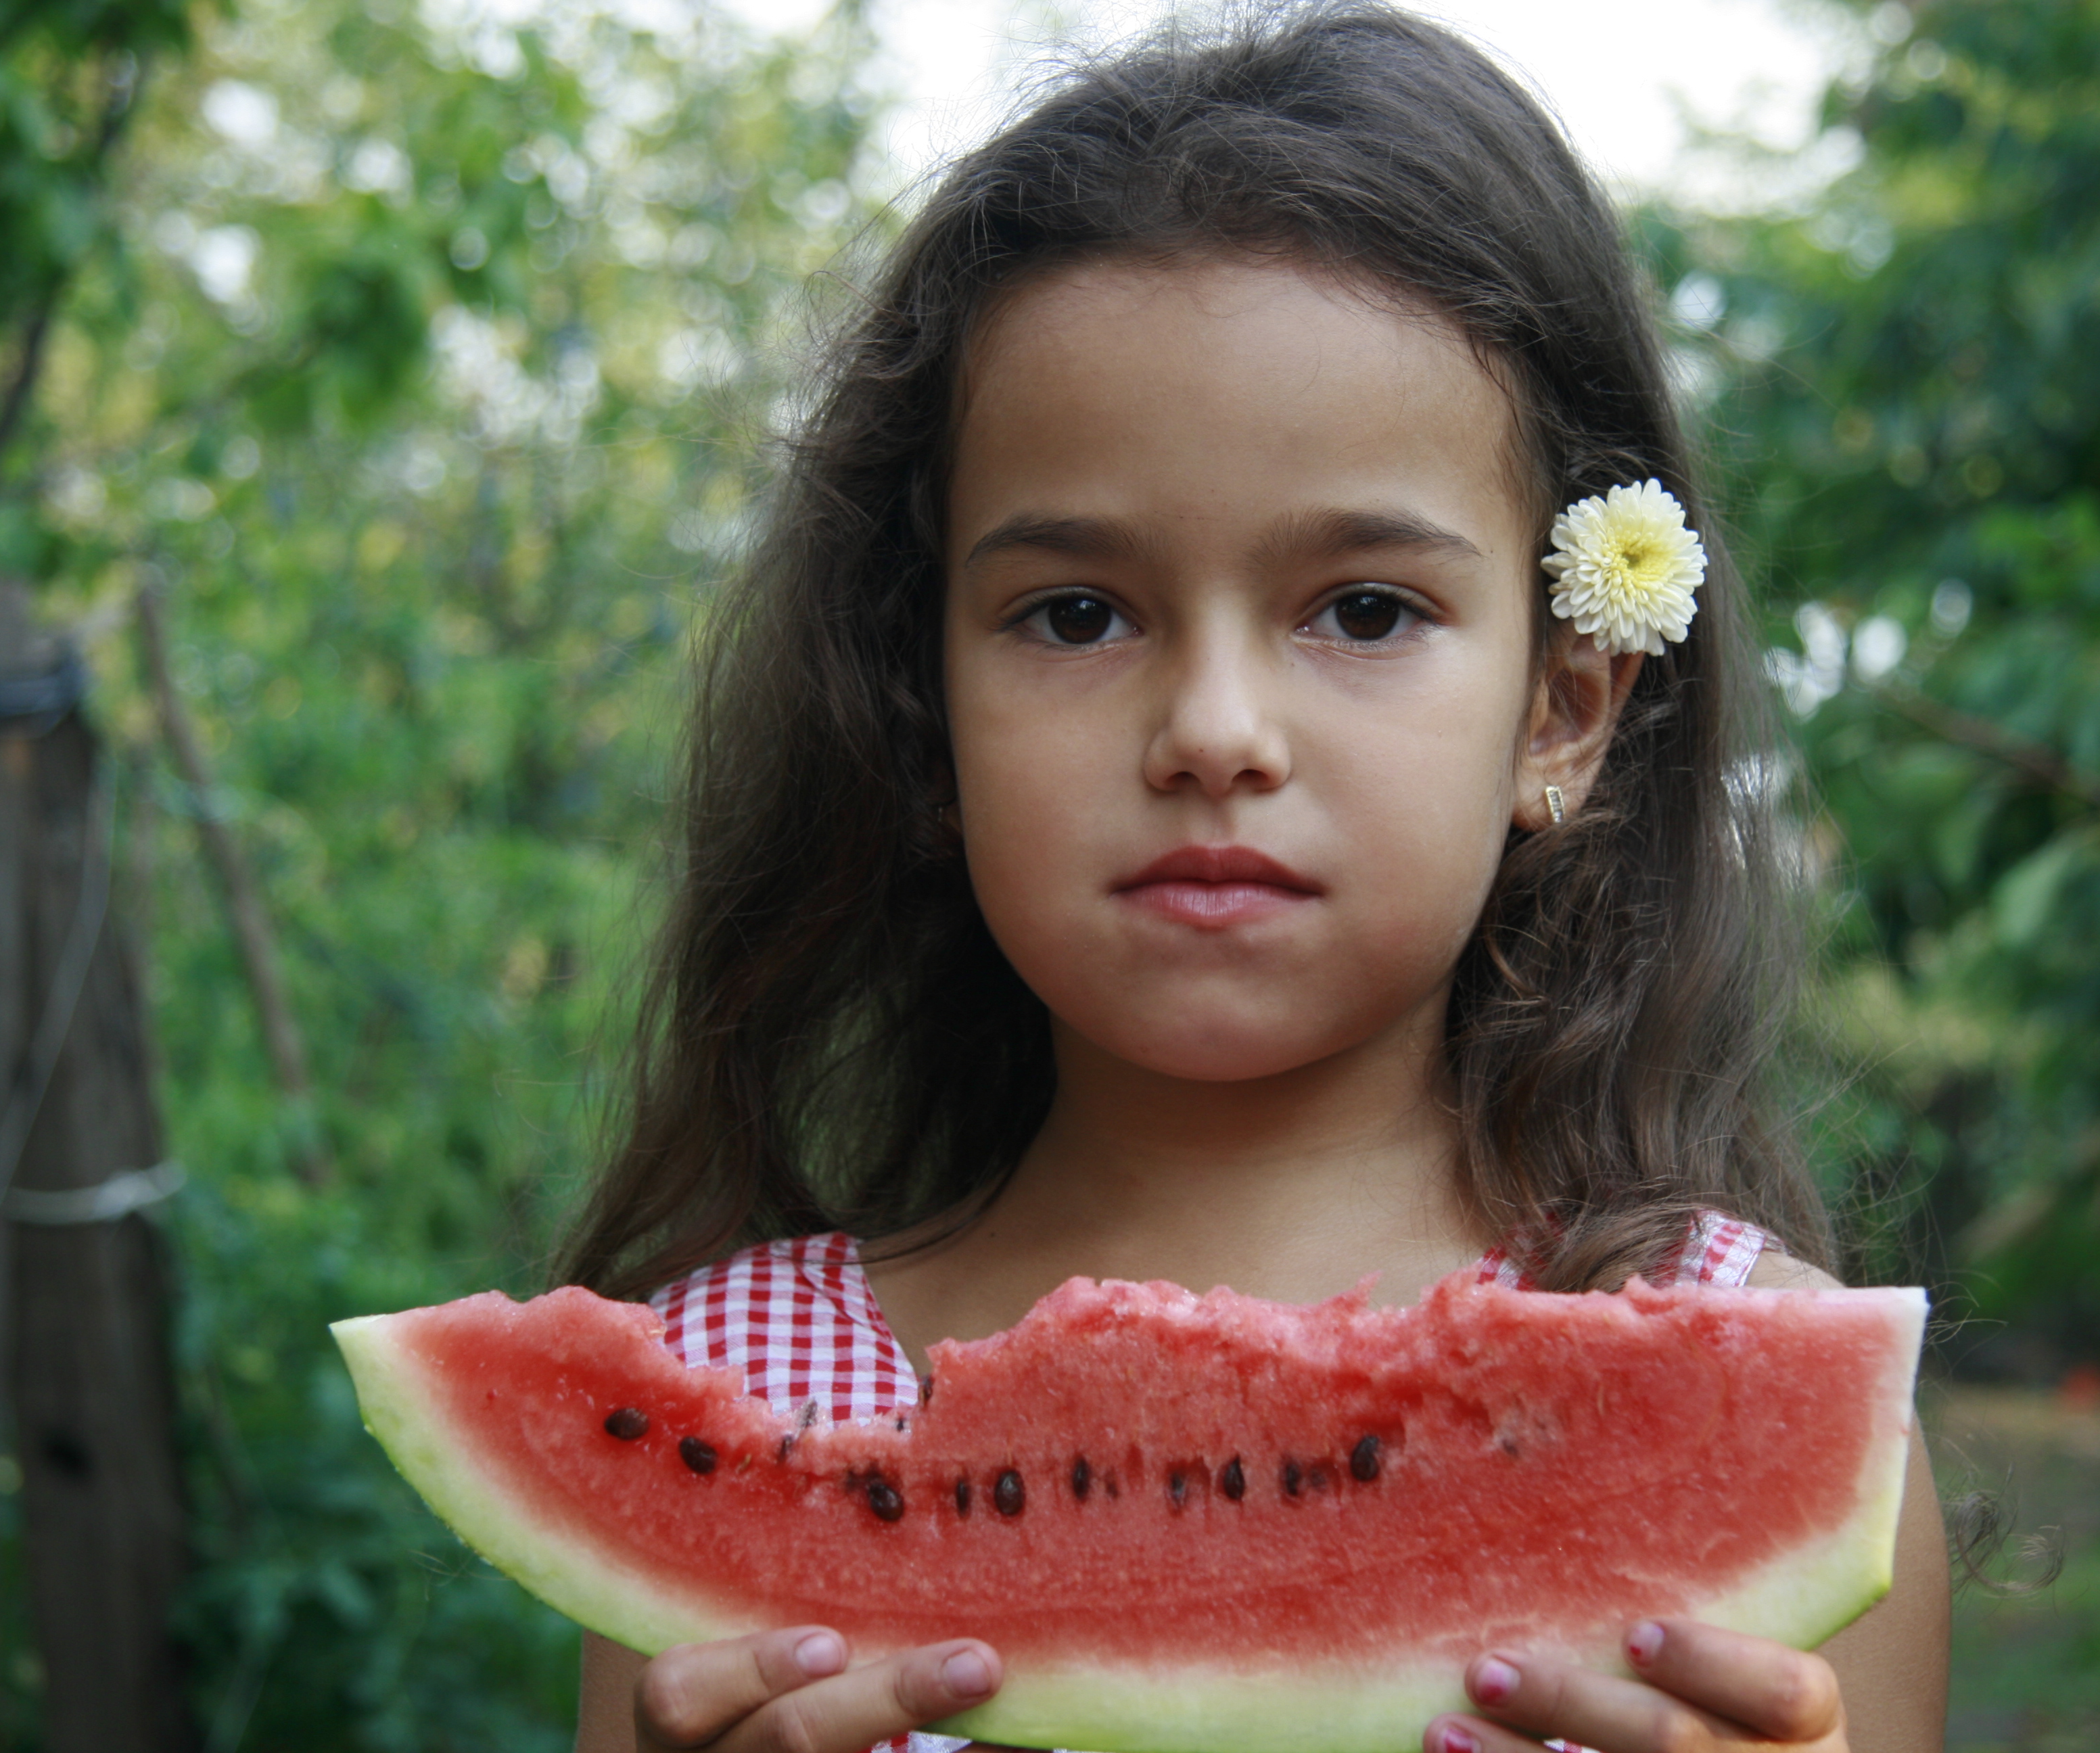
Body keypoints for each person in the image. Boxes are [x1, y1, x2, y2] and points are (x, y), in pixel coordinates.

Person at [557, 5, 1950, 1750]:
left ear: (1563, 711)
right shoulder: (721, 1400)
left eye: (1364, 610)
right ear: (925, 722)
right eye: (1077, 614)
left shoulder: (1771, 1378)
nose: (1214, 730)